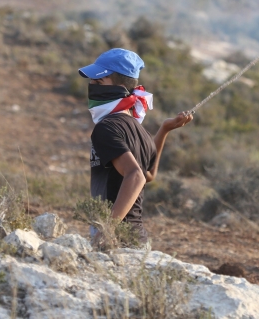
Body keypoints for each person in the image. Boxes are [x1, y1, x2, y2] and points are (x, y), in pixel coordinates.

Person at [79, 48, 193, 244]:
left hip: (116, 237)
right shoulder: (140, 130)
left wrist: (107, 229)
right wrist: (164, 129)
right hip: (137, 237)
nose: (92, 86)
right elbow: (149, 175)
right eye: (91, 81)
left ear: (121, 87)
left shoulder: (107, 127)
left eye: (98, 82)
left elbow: (137, 176)